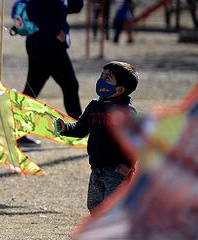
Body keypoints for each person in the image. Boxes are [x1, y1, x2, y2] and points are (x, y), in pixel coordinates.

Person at [20, 0, 84, 147]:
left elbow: (74, 7)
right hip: (45, 45)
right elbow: (33, 12)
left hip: (46, 46)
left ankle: (17, 133)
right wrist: (54, 30)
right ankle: (80, 130)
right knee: (70, 85)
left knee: (32, 91)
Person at [56, 61, 138, 213]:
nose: (101, 79)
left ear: (120, 89)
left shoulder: (125, 110)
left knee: (113, 209)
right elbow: (81, 129)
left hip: (117, 171)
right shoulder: (94, 105)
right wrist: (66, 128)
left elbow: (135, 142)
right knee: (94, 206)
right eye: (102, 75)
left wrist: (128, 165)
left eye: (108, 77)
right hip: (96, 169)